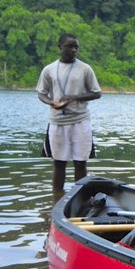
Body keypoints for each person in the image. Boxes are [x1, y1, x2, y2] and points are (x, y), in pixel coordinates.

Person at [37, 33, 101, 193]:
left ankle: (79, 196)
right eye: (69, 47)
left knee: (80, 162)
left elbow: (96, 93)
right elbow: (41, 93)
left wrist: (74, 97)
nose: (73, 50)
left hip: (80, 120)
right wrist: (51, 102)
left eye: (76, 47)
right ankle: (57, 199)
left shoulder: (85, 69)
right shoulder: (49, 70)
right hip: (57, 121)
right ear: (60, 47)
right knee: (59, 163)